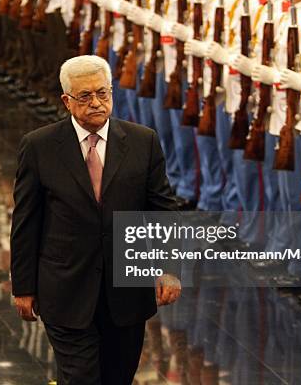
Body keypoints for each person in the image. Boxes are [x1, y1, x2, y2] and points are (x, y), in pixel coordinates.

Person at [10, 55, 181, 384]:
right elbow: (26, 222)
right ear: (66, 100)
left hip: (127, 292)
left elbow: (163, 209)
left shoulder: (142, 141)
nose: (96, 103)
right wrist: (23, 286)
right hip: (65, 289)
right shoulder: (39, 147)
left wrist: (169, 267)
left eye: (102, 93)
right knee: (81, 377)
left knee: (118, 376)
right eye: (84, 96)